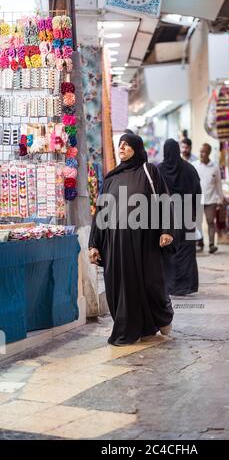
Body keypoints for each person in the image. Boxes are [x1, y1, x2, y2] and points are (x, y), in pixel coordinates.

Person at [88, 133, 174, 346]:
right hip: (115, 245)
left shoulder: (149, 171)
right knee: (120, 286)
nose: (122, 148)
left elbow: (164, 200)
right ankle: (128, 327)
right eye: (120, 145)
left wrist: (166, 230)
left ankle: (159, 318)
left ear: (136, 147)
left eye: (126, 145)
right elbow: (101, 213)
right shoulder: (111, 178)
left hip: (145, 242)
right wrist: (94, 244)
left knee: (150, 283)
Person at [158, 139, 201, 296]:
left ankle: (169, 285)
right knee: (186, 250)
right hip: (186, 215)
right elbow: (198, 191)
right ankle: (186, 285)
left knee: (168, 250)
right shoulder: (189, 169)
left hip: (166, 217)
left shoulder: (159, 170)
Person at [192, 143, 223, 253]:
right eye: (200, 151)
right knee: (198, 222)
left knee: (210, 221)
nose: (202, 154)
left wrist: (221, 199)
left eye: (204, 152)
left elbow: (218, 184)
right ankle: (199, 242)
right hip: (198, 199)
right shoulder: (194, 165)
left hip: (211, 200)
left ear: (209, 153)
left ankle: (211, 244)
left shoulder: (214, 168)